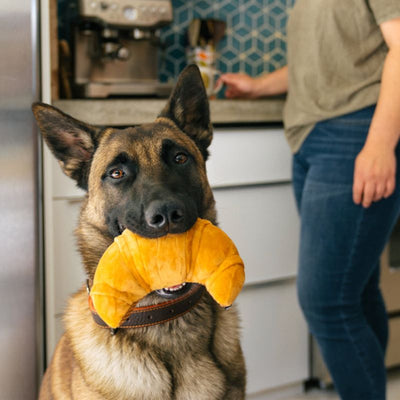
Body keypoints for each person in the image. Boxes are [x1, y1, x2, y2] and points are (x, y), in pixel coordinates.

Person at [219, 2, 400, 400]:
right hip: (312, 137)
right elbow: (325, 62)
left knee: (326, 301)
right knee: (357, 290)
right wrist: (260, 85)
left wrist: (381, 145)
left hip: (355, 133)